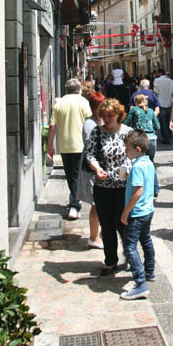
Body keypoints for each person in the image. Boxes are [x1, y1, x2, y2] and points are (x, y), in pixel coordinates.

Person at [84, 98, 132, 276]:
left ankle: (130, 256)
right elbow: (90, 154)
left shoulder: (127, 132)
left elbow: (131, 157)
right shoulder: (97, 132)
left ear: (118, 114)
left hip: (122, 187)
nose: (106, 119)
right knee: (107, 225)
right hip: (102, 186)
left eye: (109, 116)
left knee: (124, 224)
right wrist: (97, 168)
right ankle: (110, 261)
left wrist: (120, 176)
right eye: (103, 116)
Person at [47, 78, 92, 220]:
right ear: (79, 89)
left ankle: (74, 202)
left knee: (71, 175)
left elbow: (52, 126)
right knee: (78, 175)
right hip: (81, 144)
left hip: (65, 145)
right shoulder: (83, 102)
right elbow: (90, 122)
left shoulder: (59, 103)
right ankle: (75, 203)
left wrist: (50, 146)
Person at [120, 130, 156, 300]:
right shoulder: (148, 163)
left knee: (130, 246)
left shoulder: (137, 167)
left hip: (137, 212)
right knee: (146, 239)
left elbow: (138, 191)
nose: (126, 152)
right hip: (148, 210)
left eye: (127, 149)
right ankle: (150, 271)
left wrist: (125, 212)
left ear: (137, 149)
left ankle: (140, 283)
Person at [78, 90, 105, 248]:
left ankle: (98, 233)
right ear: (94, 107)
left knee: (100, 203)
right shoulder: (90, 124)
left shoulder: (98, 121)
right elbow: (91, 149)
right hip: (92, 168)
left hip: (99, 167)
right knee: (96, 203)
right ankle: (93, 237)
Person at [124, 94, 160, 196]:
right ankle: (155, 188)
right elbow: (157, 125)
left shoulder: (134, 110)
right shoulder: (151, 111)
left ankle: (139, 186)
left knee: (137, 163)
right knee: (151, 162)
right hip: (152, 139)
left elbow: (126, 122)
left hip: (140, 138)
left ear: (136, 101)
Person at [153, 68, 173, 145]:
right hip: (169, 103)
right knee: (169, 120)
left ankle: (165, 138)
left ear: (159, 73)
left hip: (160, 103)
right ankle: (168, 135)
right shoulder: (170, 81)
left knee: (163, 122)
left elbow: (156, 92)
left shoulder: (156, 81)